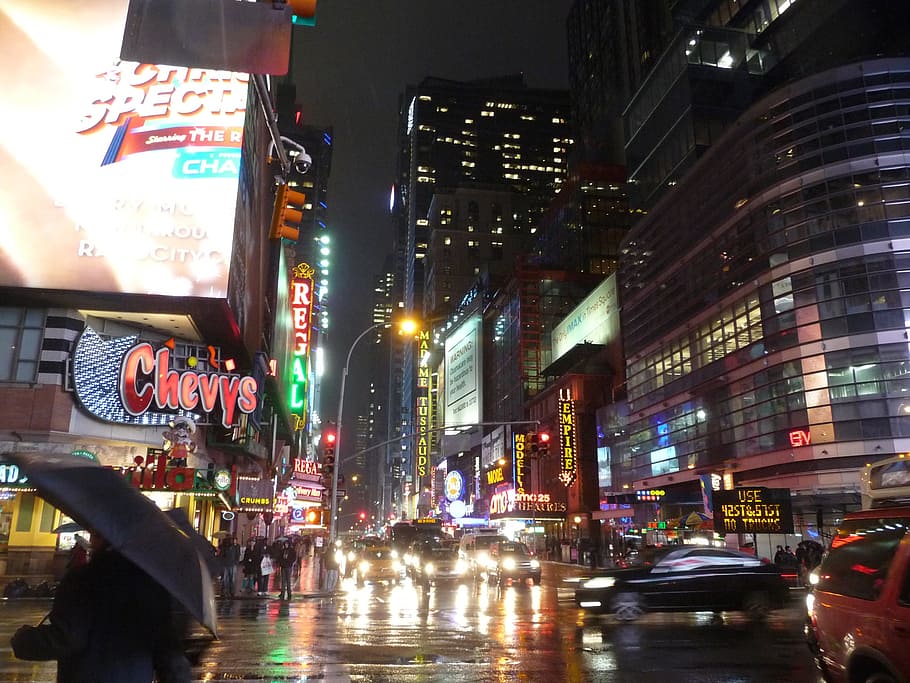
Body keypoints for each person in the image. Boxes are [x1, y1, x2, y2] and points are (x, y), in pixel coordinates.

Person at [10, 529, 190, 682]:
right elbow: (169, 654)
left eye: (94, 535)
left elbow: (66, 638)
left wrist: (24, 639)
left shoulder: (82, 579)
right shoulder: (154, 586)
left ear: (102, 538)